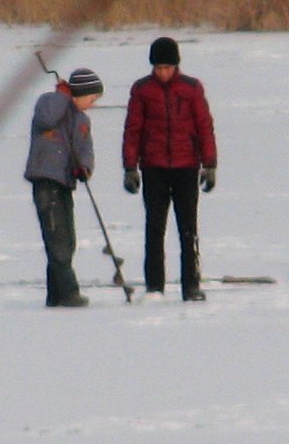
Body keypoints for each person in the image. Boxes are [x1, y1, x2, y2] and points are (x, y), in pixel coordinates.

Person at [122, 37, 217, 302]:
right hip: (154, 168)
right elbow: (133, 130)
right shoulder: (141, 90)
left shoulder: (191, 88)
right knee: (154, 229)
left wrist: (209, 164)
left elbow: (204, 126)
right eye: (158, 67)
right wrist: (130, 167)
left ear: (176, 65)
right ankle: (154, 288)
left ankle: (191, 286)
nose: (163, 72)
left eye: (167, 67)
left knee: (188, 230)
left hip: (187, 167)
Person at [24, 67, 104, 307]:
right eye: (91, 99)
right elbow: (47, 118)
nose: (93, 104)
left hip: (65, 184)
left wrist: (84, 168)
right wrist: (62, 95)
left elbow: (85, 149)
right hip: (46, 181)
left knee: (66, 240)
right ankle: (69, 293)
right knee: (56, 237)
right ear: (77, 94)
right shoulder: (49, 103)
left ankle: (55, 294)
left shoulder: (82, 121)